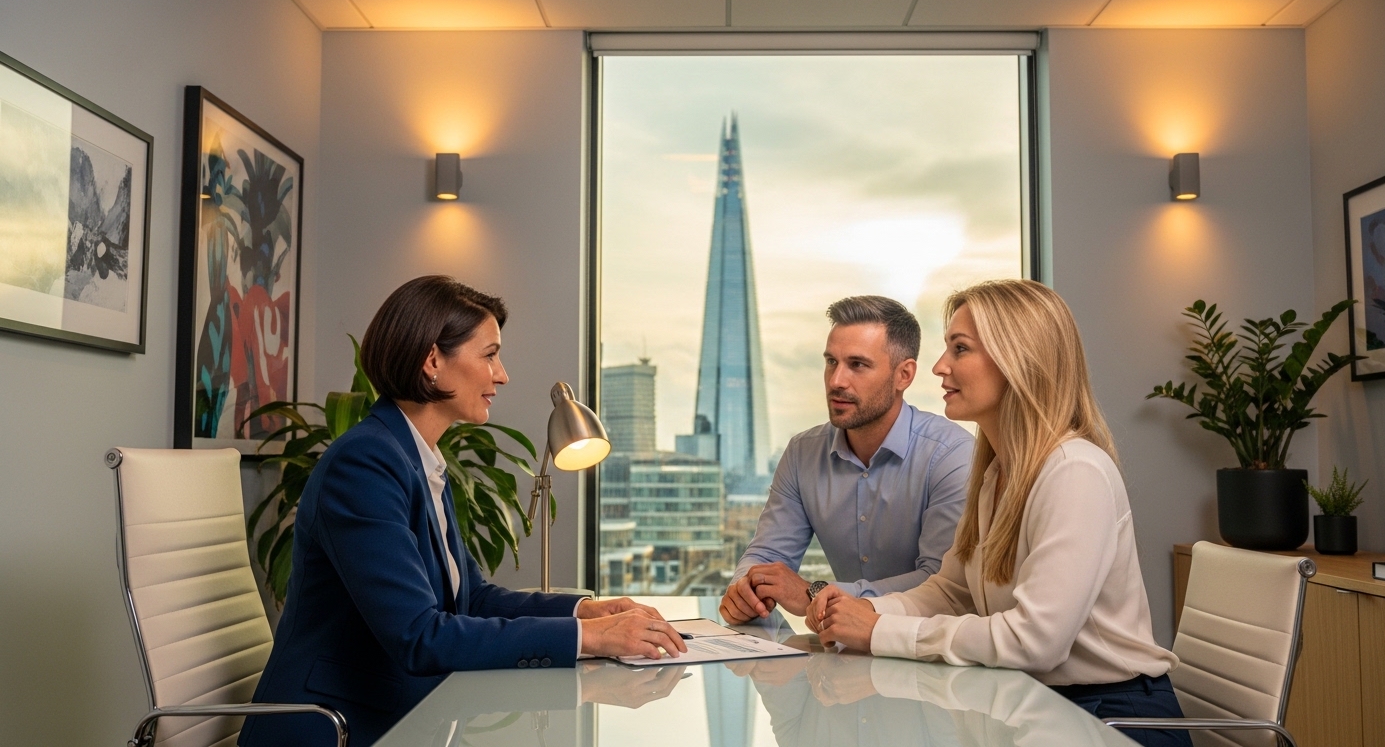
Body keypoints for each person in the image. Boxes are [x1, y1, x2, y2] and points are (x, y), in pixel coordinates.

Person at [240, 276, 685, 747]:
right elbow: (420, 635)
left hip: (402, 718)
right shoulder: (365, 463)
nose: (502, 374)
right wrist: (591, 638)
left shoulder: (418, 458)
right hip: (337, 729)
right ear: (433, 361)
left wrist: (588, 611)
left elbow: (472, 598)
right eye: (489, 354)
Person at [807, 279, 1189, 747]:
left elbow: (1034, 642)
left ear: (1018, 360)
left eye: (960, 349)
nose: (940, 367)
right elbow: (952, 591)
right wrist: (866, 610)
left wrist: (882, 632)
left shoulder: (1074, 472)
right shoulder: (996, 476)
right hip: (1034, 709)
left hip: (1111, 720)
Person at [719, 296, 972, 625]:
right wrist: (745, 588)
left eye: (857, 365)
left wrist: (816, 592)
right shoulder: (802, 453)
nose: (836, 380)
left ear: (904, 375)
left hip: (932, 653)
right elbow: (768, 555)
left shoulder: (951, 455)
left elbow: (940, 585)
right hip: (846, 652)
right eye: (831, 362)